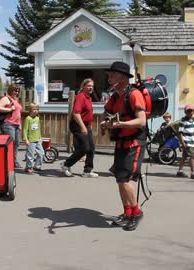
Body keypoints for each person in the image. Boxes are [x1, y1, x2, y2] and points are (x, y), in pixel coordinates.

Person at [101, 61, 146, 231]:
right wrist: (105, 122)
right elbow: (106, 111)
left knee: (125, 180)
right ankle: (127, 213)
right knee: (120, 180)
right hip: (121, 142)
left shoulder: (134, 94)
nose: (109, 78)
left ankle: (136, 213)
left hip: (135, 142)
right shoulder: (115, 96)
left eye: (113, 75)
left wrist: (119, 125)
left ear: (123, 77)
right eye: (109, 75)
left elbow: (142, 121)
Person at [60, 78, 98, 178]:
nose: (91, 88)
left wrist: (89, 126)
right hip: (77, 125)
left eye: (92, 86)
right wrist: (82, 127)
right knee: (85, 148)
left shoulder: (89, 98)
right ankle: (66, 165)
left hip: (86, 125)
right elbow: (76, 113)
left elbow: (87, 113)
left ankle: (87, 171)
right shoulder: (81, 97)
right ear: (84, 86)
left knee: (91, 148)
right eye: (89, 86)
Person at [0, 84, 23, 168]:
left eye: (18, 90)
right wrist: (9, 109)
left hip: (16, 125)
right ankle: (8, 161)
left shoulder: (16, 100)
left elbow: (18, 113)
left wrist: (20, 124)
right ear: (11, 90)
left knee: (17, 143)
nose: (17, 92)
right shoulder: (6, 98)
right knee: (11, 143)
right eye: (15, 90)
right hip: (8, 124)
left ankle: (14, 161)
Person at [176, 105, 194, 179]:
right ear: (185, 112)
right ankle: (193, 172)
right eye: (188, 111)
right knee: (192, 156)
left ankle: (180, 171)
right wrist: (182, 142)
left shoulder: (192, 121)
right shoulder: (183, 121)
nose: (190, 113)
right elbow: (180, 132)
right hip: (186, 142)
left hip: (191, 142)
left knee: (184, 157)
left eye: (191, 111)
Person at [23, 103, 44, 174]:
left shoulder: (37, 118)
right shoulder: (28, 119)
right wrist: (25, 139)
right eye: (34, 109)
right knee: (30, 155)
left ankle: (37, 166)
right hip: (30, 140)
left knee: (41, 153)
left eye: (37, 109)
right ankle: (29, 167)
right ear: (30, 110)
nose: (36, 111)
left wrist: (40, 137)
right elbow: (25, 129)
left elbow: (38, 129)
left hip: (37, 139)